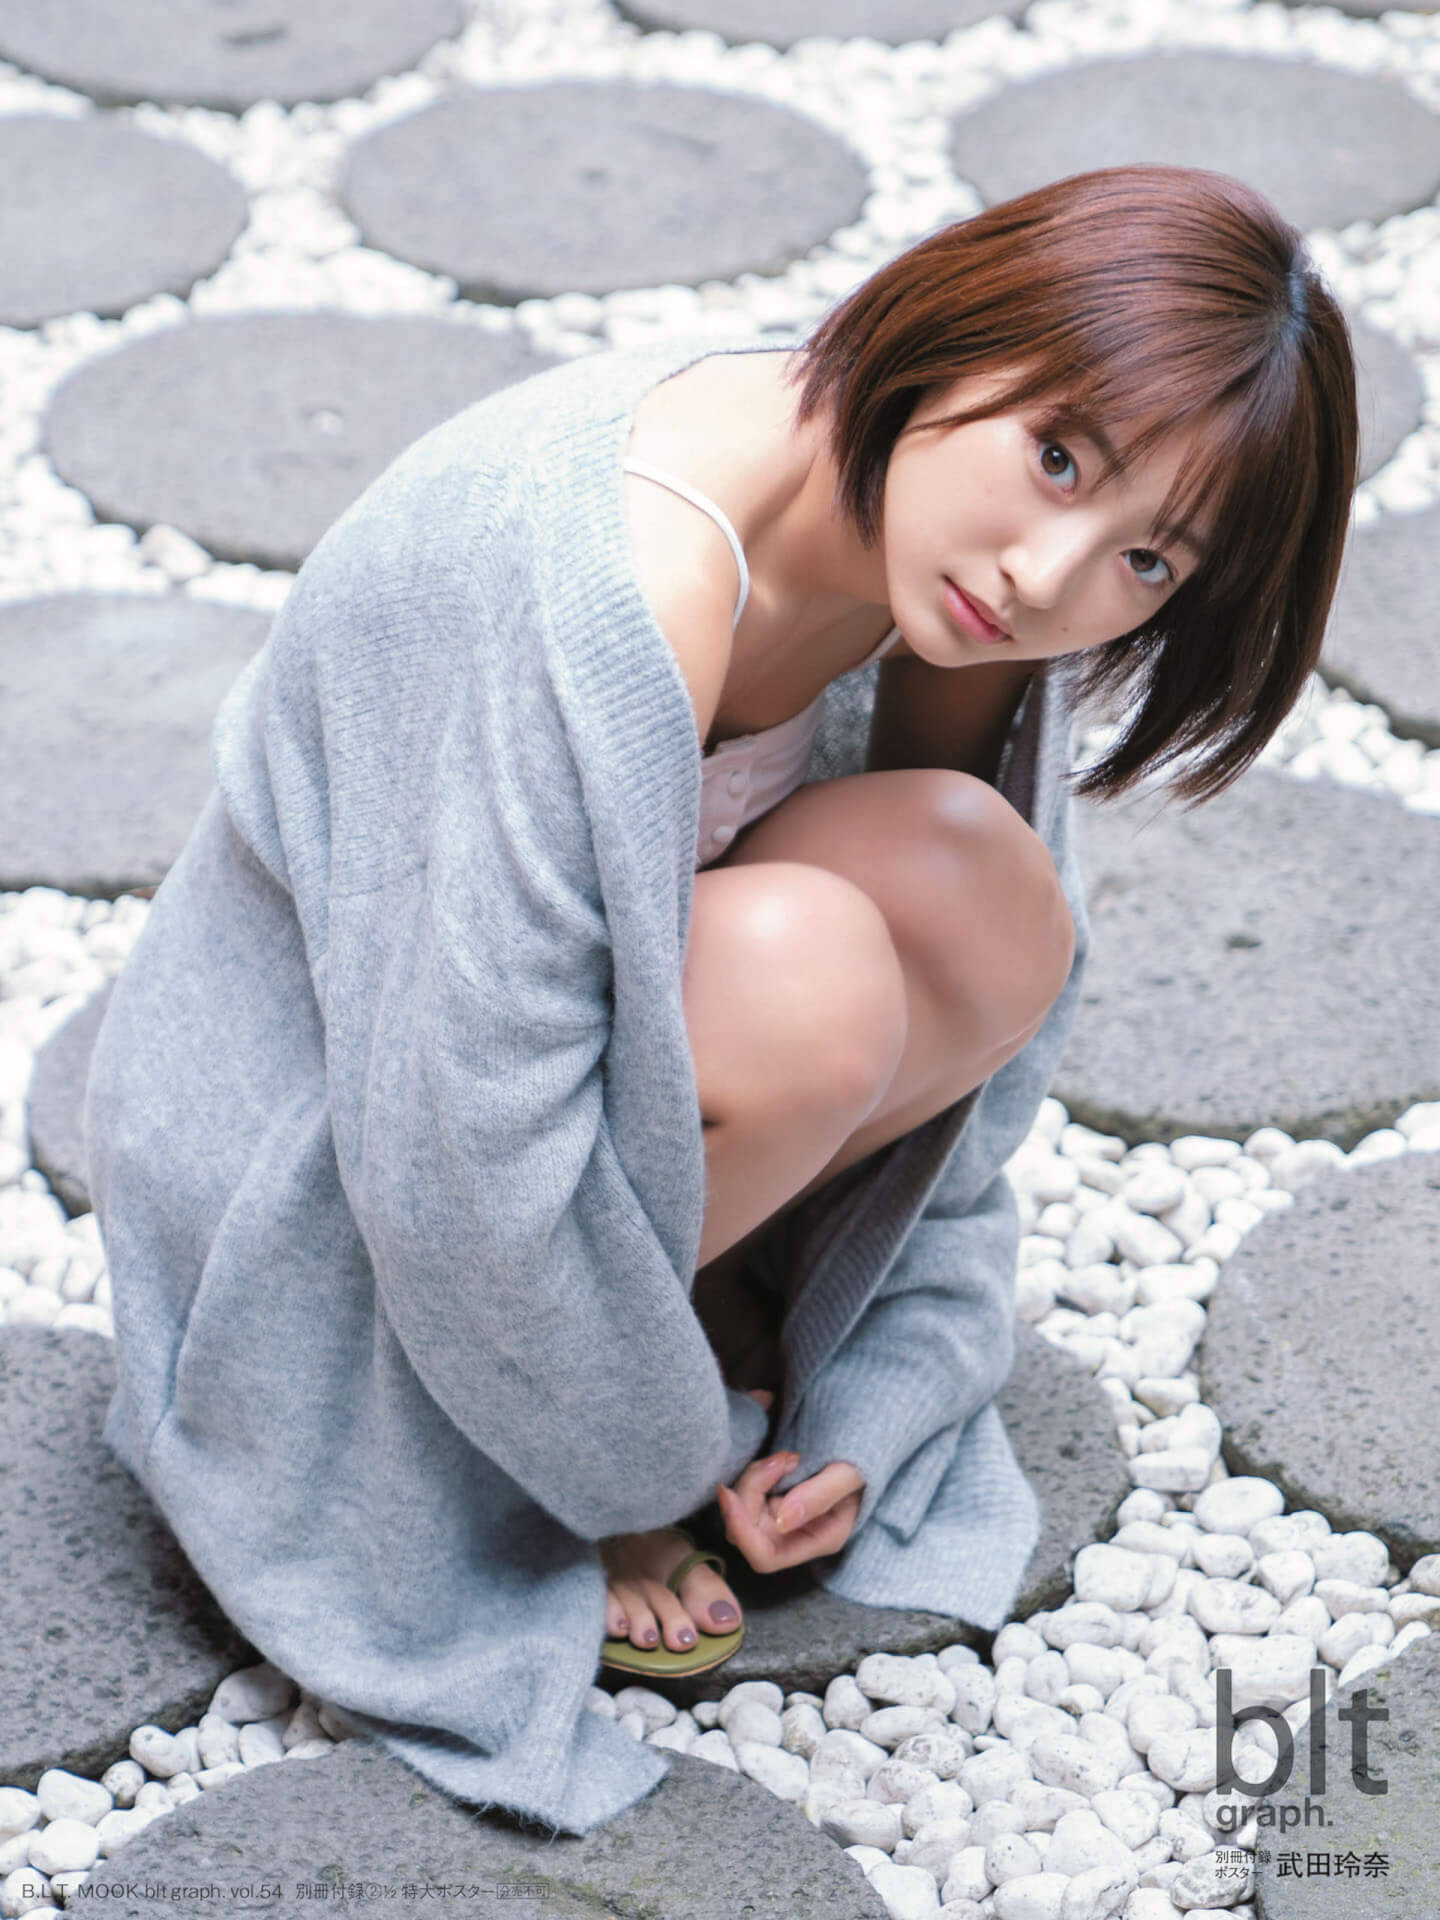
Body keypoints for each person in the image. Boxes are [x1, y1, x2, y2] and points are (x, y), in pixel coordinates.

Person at [84, 163, 1356, 1837]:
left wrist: (886, 1365)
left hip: (558, 1101)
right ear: (965, 321)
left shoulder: (953, 560)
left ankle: (665, 1324)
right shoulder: (613, 575)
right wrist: (644, 1466)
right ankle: (541, 1434)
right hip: (325, 1154)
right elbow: (452, 1145)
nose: (1051, 572)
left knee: (984, 893)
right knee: (811, 972)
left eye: (1147, 558)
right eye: (1059, 452)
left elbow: (979, 1068)